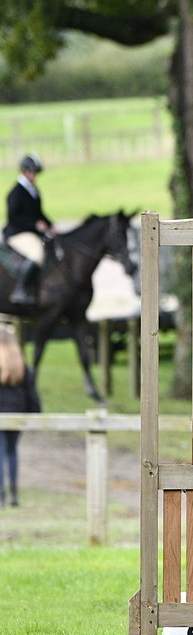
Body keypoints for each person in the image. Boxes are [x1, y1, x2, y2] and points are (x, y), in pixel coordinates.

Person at [3, 154, 55, 305]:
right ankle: (21, 289)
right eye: (32, 172)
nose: (34, 175)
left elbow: (38, 213)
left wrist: (50, 225)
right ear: (24, 171)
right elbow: (13, 217)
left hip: (31, 231)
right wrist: (35, 225)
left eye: (36, 172)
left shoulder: (33, 190)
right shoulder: (16, 193)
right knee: (37, 253)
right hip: (18, 233)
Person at [0, 325, 40, 506]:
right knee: (12, 452)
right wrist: (35, 414)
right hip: (17, 413)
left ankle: (1, 493)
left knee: (0, 453)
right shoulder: (21, 365)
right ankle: (14, 493)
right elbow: (31, 394)